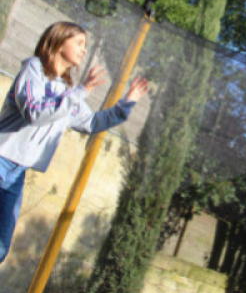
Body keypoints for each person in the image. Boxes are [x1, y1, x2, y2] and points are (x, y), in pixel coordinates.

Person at [0, 21, 149, 263]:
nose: (83, 50)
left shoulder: (65, 90)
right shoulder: (33, 70)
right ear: (59, 42)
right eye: (79, 43)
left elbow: (91, 123)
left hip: (17, 173)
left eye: (85, 45)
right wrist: (81, 91)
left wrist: (127, 104)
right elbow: (34, 112)